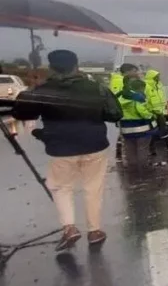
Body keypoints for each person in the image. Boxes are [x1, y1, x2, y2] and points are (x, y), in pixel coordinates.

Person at [12, 50, 122, 250]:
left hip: (61, 147)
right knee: (93, 188)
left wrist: (32, 89)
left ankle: (69, 228)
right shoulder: (96, 88)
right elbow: (115, 114)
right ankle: (95, 230)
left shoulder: (44, 90)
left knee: (62, 188)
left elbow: (21, 112)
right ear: (76, 66)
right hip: (94, 145)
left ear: (51, 68)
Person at [118, 76, 155, 171]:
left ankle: (132, 167)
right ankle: (143, 167)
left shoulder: (120, 97)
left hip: (125, 128)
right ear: (140, 88)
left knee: (129, 148)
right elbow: (142, 112)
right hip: (141, 127)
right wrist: (151, 115)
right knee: (142, 148)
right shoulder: (137, 98)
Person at [144, 69, 168, 156]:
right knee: (152, 132)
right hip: (152, 113)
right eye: (157, 76)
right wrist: (150, 111)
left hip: (160, 112)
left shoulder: (158, 85)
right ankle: (151, 149)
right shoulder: (146, 86)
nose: (159, 77)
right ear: (153, 77)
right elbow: (145, 100)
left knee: (164, 130)